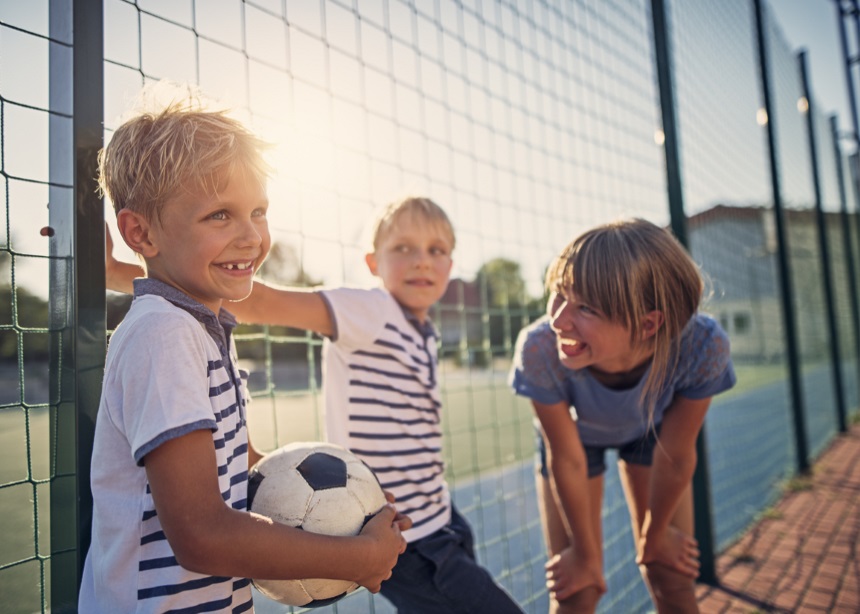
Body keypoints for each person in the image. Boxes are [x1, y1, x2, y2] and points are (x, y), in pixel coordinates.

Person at [107, 196, 524, 613]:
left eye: (436, 251)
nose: (421, 262)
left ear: (451, 265)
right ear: (373, 263)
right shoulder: (369, 309)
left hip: (440, 515)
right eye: (403, 249)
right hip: (407, 539)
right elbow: (260, 301)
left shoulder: (425, 331)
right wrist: (116, 272)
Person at [82, 90, 409, 613]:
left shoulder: (201, 328)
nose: (252, 236)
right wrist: (353, 558)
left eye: (258, 211)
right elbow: (201, 534)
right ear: (140, 232)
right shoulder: (163, 335)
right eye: (219, 215)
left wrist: (356, 511)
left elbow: (240, 473)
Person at [508, 219, 736, 614]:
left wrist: (657, 534)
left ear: (649, 323)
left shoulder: (702, 345)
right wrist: (583, 552)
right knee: (575, 592)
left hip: (651, 434)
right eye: (559, 294)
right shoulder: (540, 348)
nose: (559, 320)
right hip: (574, 444)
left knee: (672, 577)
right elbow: (567, 457)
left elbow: (677, 455)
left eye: (586, 308)